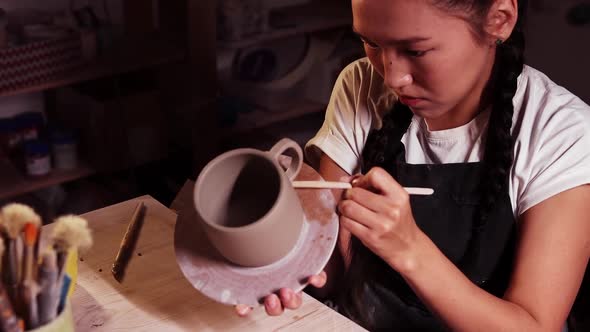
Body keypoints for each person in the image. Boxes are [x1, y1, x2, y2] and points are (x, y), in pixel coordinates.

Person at [236, 0, 590, 330]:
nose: (392, 77)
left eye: (415, 50)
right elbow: (333, 270)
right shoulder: (360, 84)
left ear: (499, 20)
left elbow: (534, 326)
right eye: (371, 43)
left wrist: (408, 249)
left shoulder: (561, 132)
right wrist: (283, 266)